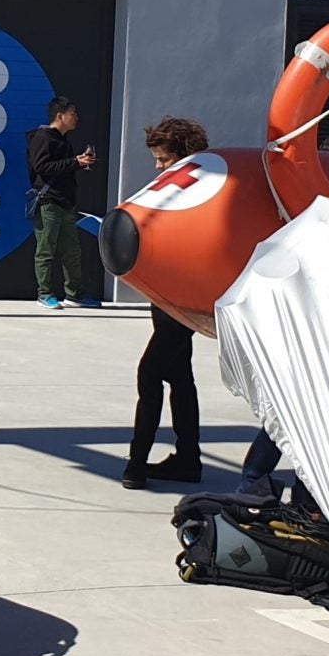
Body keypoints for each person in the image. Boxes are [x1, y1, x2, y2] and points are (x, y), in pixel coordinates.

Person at [123, 116, 208, 489]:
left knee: (149, 372)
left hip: (180, 298)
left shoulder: (198, 188)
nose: (158, 167)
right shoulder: (180, 187)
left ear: (185, 156)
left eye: (163, 159)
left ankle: (136, 463)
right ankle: (188, 458)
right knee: (179, 376)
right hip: (168, 299)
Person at [25, 95, 95, 309]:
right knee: (46, 249)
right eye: (72, 114)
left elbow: (61, 166)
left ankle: (74, 293)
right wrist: (74, 161)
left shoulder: (63, 140)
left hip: (66, 202)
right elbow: (42, 167)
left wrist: (77, 162)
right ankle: (44, 294)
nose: (76, 118)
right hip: (49, 202)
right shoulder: (43, 138)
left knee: (72, 251)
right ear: (60, 116)